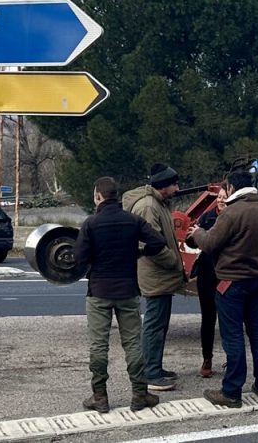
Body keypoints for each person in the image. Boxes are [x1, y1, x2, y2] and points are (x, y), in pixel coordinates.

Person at [190, 170, 258, 408]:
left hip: (231, 282)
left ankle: (232, 391)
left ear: (231, 188)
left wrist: (197, 233)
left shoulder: (231, 213)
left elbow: (210, 245)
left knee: (233, 336)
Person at [74, 177, 169, 413]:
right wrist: (140, 252)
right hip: (128, 290)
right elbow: (158, 242)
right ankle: (139, 394)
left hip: (98, 291)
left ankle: (100, 397)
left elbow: (79, 258)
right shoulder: (133, 220)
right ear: (116, 196)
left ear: (98, 196)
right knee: (133, 345)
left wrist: (93, 259)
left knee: (98, 346)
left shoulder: (90, 223)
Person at [122, 163, 185, 392]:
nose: (178, 188)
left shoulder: (158, 203)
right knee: (154, 325)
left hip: (160, 275)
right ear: (164, 185)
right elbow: (150, 243)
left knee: (159, 324)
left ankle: (155, 366)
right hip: (156, 274)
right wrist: (173, 261)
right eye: (175, 184)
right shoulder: (149, 207)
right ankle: (150, 372)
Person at [186, 187, 226, 378]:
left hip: (227, 272)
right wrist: (192, 236)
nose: (220, 200)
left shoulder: (234, 217)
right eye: (219, 197)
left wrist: (201, 235)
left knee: (229, 318)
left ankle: (231, 357)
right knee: (208, 317)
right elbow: (193, 243)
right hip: (207, 271)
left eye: (224, 198)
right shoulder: (207, 216)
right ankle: (207, 359)